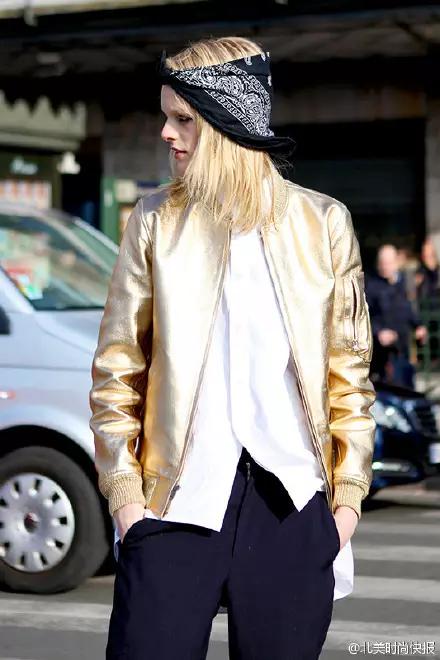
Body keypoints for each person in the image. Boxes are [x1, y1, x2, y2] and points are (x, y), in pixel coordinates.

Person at [89, 36, 376, 660]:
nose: (166, 133)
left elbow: (349, 375)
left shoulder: (323, 223)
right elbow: (117, 371)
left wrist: (346, 504)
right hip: (172, 505)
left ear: (225, 124)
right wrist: (127, 501)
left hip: (292, 505)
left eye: (182, 118)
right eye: (166, 116)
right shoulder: (153, 221)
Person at [366, 243, 427, 389]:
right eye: (382, 263)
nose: (385, 266)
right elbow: (365, 317)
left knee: (407, 389)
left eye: (389, 263)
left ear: (396, 263)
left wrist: (418, 325)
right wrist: (379, 332)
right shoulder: (371, 286)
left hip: (402, 349)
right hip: (382, 355)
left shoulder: (403, 283)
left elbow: (407, 309)